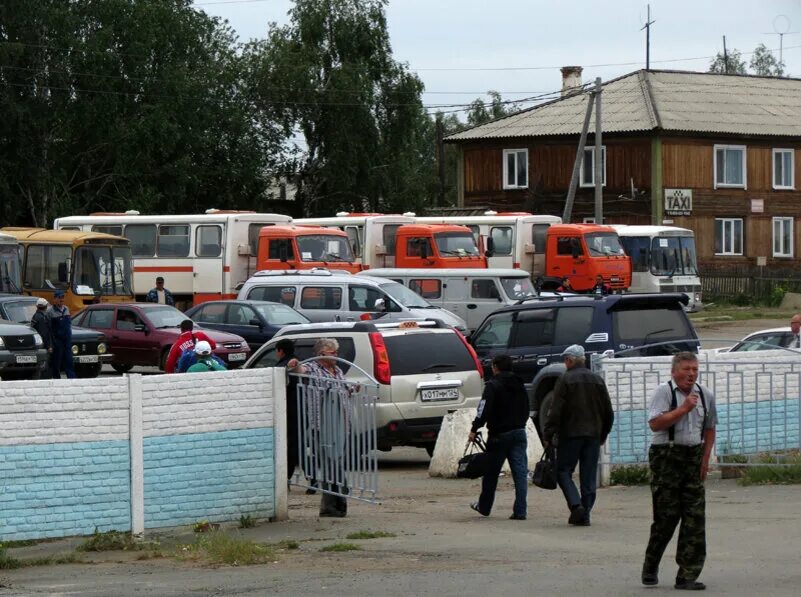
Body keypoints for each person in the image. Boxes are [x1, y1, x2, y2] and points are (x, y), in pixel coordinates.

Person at [641, 352, 717, 591]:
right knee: (666, 517)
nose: (691, 374)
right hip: (667, 457)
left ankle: (687, 574)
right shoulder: (664, 393)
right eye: (686, 369)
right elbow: (655, 424)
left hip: (693, 456)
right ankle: (651, 564)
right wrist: (683, 409)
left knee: (695, 518)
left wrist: (705, 458)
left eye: (694, 369)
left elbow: (710, 427)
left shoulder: (705, 395)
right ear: (674, 371)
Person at [543, 344, 614, 527]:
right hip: (593, 435)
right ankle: (586, 514)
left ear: (569, 360)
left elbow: (556, 410)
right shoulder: (597, 380)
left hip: (571, 434)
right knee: (588, 475)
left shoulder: (565, 380)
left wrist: (548, 433)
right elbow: (608, 411)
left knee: (563, 471)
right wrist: (603, 433)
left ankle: (576, 506)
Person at [289, 338, 351, 517]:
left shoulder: (337, 369)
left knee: (337, 461)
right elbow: (300, 370)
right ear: (322, 354)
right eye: (334, 353)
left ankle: (337, 500)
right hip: (322, 425)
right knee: (330, 463)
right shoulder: (314, 369)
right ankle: (334, 500)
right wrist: (294, 365)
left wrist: (352, 389)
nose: (337, 356)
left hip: (340, 423)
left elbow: (344, 387)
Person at [467, 354, 529, 520]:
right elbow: (526, 407)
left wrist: (474, 428)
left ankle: (485, 507)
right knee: (520, 473)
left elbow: (483, 409)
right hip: (519, 432)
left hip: (499, 435)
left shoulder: (492, 385)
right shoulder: (520, 383)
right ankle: (520, 510)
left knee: (491, 473)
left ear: (495, 367)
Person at [276, 338, 301, 482]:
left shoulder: (284, 366)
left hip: (289, 410)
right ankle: (312, 478)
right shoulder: (298, 362)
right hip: (300, 409)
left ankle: (286, 477)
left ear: (281, 351)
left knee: (291, 446)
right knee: (298, 444)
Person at [48, 290, 76, 379]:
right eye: (60, 298)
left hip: (67, 340)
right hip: (57, 341)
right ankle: (57, 379)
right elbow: (49, 328)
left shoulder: (66, 309)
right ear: (55, 299)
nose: (62, 299)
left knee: (69, 360)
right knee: (57, 362)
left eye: (63, 297)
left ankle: (72, 380)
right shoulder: (50, 311)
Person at [30, 297, 53, 370]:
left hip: (37, 344)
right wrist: (49, 346)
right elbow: (44, 333)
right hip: (43, 345)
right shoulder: (42, 318)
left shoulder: (35, 316)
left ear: (37, 306)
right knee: (45, 365)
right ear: (46, 306)